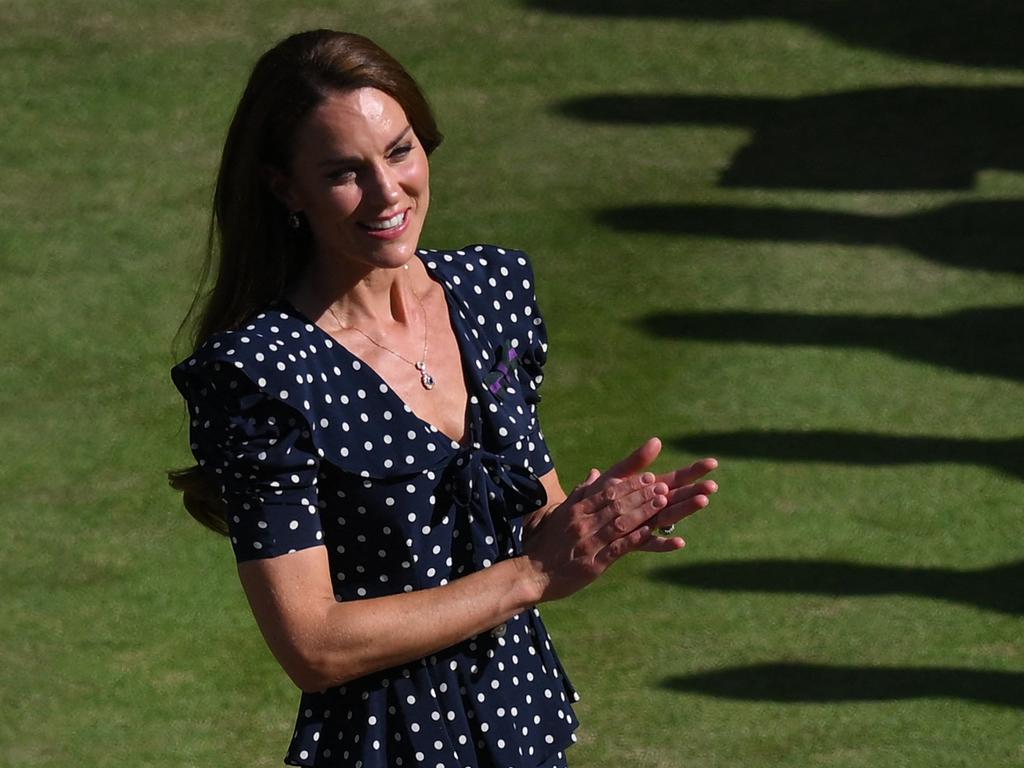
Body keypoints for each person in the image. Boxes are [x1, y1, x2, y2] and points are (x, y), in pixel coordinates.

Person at [169, 29, 718, 768]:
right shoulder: (259, 376)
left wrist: (590, 527)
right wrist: (529, 575)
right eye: (344, 172)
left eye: (399, 151)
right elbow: (313, 645)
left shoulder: (492, 293)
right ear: (284, 187)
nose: (388, 192)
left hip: (526, 732)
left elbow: (535, 516)